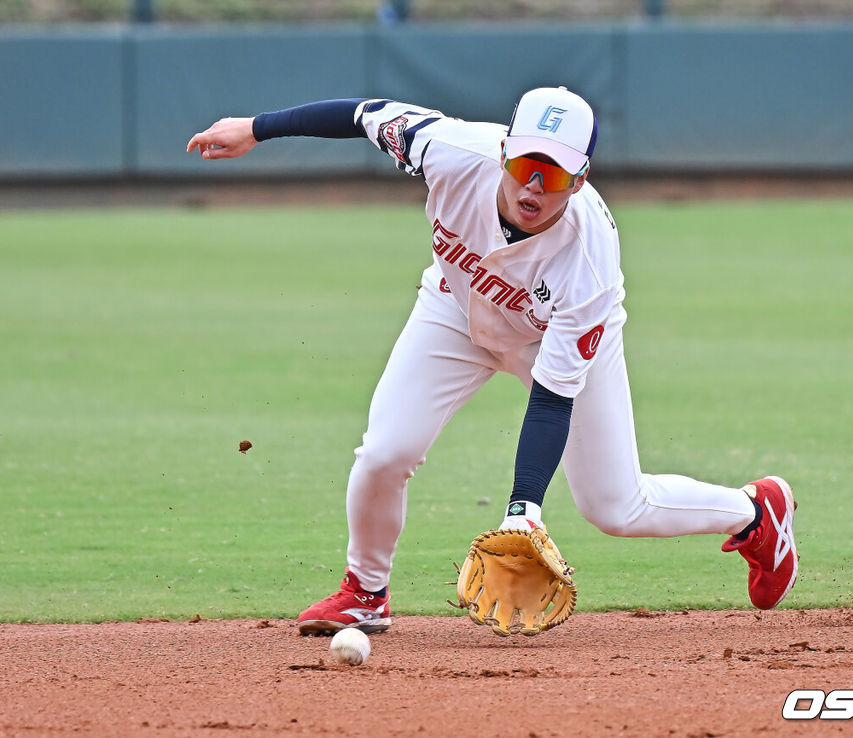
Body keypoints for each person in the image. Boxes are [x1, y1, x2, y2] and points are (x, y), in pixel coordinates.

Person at [186, 87, 799, 636]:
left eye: (553, 176)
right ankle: (365, 593)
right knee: (384, 452)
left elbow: (553, 397)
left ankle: (756, 510)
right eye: (527, 165)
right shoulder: (448, 148)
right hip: (454, 310)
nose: (534, 187)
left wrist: (523, 512)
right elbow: (358, 113)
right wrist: (257, 127)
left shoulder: (590, 262)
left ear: (579, 181)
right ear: (505, 151)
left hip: (547, 339)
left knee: (614, 507)